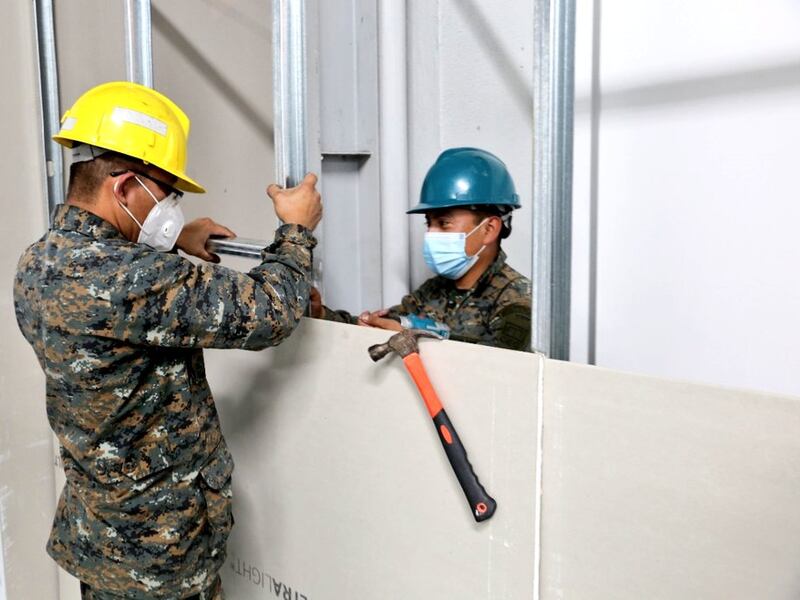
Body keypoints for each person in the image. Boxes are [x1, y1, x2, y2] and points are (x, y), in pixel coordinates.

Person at [13, 81, 322, 599]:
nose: (171, 207)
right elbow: (272, 311)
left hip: (101, 542)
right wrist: (295, 231)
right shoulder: (134, 280)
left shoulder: (38, 262)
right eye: (167, 193)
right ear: (125, 186)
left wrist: (174, 238)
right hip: (161, 556)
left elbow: (114, 292)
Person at [311, 147, 531, 351]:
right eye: (429, 223)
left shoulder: (517, 299)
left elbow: (499, 366)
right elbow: (382, 327)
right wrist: (322, 314)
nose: (431, 234)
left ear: (489, 229)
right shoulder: (434, 290)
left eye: (444, 223)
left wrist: (419, 339)